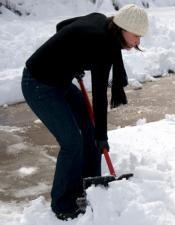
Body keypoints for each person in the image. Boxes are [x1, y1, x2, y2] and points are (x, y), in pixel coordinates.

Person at [21, 4, 148, 220]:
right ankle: (62, 204)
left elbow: (62, 26)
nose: (138, 42)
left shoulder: (101, 20)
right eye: (136, 35)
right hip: (38, 84)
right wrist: (103, 137)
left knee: (89, 130)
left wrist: (73, 56)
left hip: (59, 81)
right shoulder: (103, 46)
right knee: (72, 142)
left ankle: (89, 186)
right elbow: (99, 96)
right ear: (123, 28)